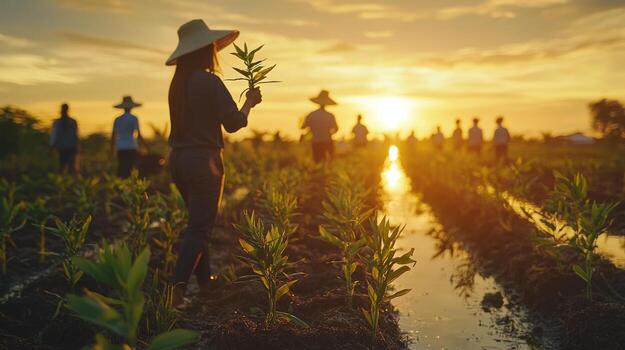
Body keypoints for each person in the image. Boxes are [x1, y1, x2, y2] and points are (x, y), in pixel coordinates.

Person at [165, 19, 262, 305]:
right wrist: (249, 102)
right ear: (207, 50)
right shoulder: (209, 81)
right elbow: (233, 123)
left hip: (179, 160)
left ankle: (205, 283)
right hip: (203, 160)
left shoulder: (177, 84)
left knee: (197, 222)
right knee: (200, 226)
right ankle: (177, 291)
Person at [111, 96, 147, 178]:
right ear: (131, 107)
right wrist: (146, 147)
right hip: (131, 147)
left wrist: (111, 150)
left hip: (121, 147)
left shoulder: (117, 119)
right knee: (131, 168)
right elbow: (139, 135)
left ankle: (121, 184)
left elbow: (113, 136)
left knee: (122, 167)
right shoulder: (133, 118)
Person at [301, 90, 338, 162]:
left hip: (316, 141)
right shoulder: (330, 116)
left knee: (317, 161)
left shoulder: (311, 115)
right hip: (327, 141)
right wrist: (329, 133)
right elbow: (336, 129)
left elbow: (303, 127)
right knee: (329, 161)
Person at [50, 103, 79, 174]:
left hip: (71, 148)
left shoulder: (72, 122)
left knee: (71, 168)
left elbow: (76, 135)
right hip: (61, 148)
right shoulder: (57, 122)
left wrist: (77, 146)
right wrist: (53, 145)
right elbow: (54, 135)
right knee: (61, 167)